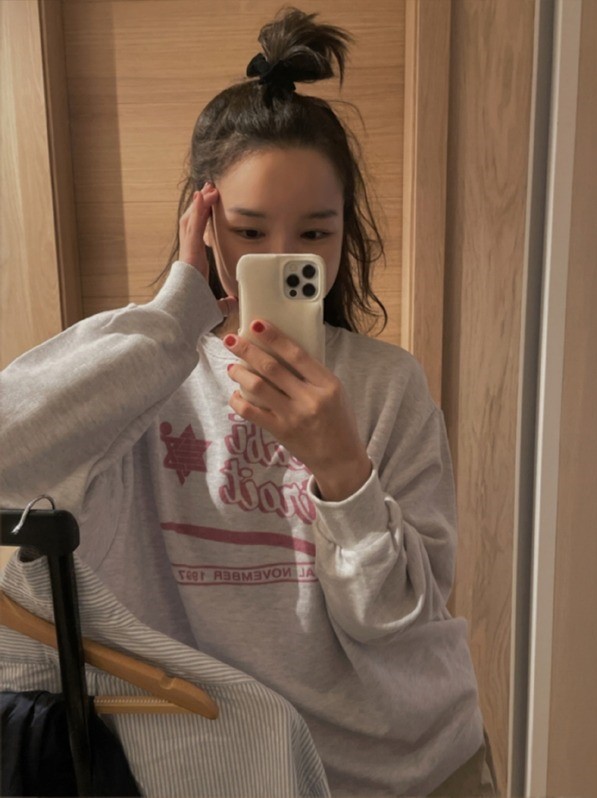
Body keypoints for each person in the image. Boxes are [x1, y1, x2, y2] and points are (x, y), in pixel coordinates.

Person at [0, 8, 496, 796]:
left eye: (315, 234)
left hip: (404, 767)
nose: (283, 257)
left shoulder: (386, 386)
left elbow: (400, 623)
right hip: (227, 769)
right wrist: (172, 320)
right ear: (202, 223)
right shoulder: (137, 378)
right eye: (250, 231)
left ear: (345, 235)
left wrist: (343, 470)